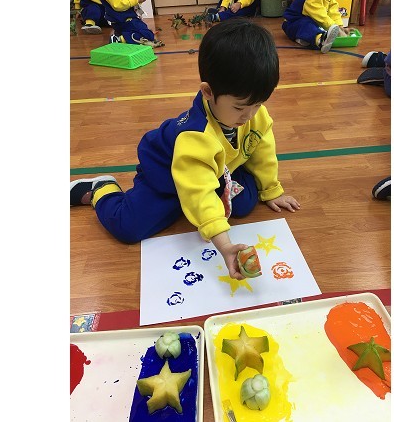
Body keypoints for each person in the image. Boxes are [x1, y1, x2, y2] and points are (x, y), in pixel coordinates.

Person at [70, 18, 301, 280]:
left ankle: (212, 194)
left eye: (258, 104)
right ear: (208, 92)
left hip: (213, 171)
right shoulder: (195, 137)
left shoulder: (253, 114)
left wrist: (271, 190)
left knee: (245, 203)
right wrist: (224, 244)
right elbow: (198, 190)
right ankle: (100, 189)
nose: (249, 115)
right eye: (239, 107)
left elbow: (262, 151)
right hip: (165, 175)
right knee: (129, 227)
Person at [282, 0, 349, 54]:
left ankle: (307, 39)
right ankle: (321, 41)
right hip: (292, 23)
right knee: (307, 25)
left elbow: (333, 11)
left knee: (314, 25)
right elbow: (322, 18)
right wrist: (337, 29)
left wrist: (340, 26)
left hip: (310, 19)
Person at [98, 0, 164, 47]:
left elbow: (128, 1)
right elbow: (118, 5)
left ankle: (123, 34)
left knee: (145, 31)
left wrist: (139, 0)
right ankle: (120, 39)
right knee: (147, 35)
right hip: (122, 20)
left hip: (127, 19)